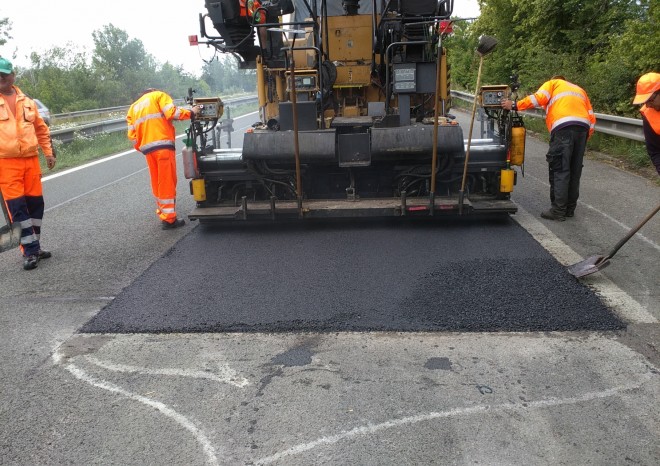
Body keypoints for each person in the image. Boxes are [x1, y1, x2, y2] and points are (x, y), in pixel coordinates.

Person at [502, 75, 596, 221]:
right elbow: (591, 117)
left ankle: (558, 210)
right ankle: (569, 209)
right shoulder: (579, 90)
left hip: (563, 128)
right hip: (583, 129)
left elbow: (538, 98)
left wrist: (514, 105)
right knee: (574, 170)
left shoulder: (553, 84)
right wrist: (583, 139)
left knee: (560, 168)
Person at [0, 57, 56, 270]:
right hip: (6, 164)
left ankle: (35, 245)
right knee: (18, 210)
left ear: (12, 75)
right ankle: (30, 252)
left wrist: (48, 153)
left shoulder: (28, 102)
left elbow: (41, 129)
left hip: (31, 162)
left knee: (35, 207)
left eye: (4, 74)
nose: (1, 79)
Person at [126, 89, 200, 229]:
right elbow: (172, 113)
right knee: (167, 181)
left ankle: (163, 212)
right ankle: (169, 219)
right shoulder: (159, 95)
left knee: (157, 182)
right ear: (152, 91)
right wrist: (191, 112)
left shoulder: (134, 107)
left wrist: (143, 147)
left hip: (148, 150)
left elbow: (132, 136)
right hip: (163, 146)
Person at [632, 72, 660, 176]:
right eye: (645, 101)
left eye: (650, 100)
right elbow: (655, 150)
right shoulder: (648, 114)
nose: (648, 105)